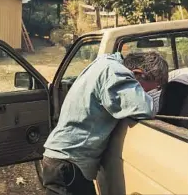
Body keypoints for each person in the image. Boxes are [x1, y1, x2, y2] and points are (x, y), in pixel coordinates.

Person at [42, 51, 169, 195]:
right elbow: (143, 108)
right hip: (68, 164)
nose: (146, 93)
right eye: (145, 90)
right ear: (138, 74)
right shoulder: (114, 72)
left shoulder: (103, 65)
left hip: (63, 161)